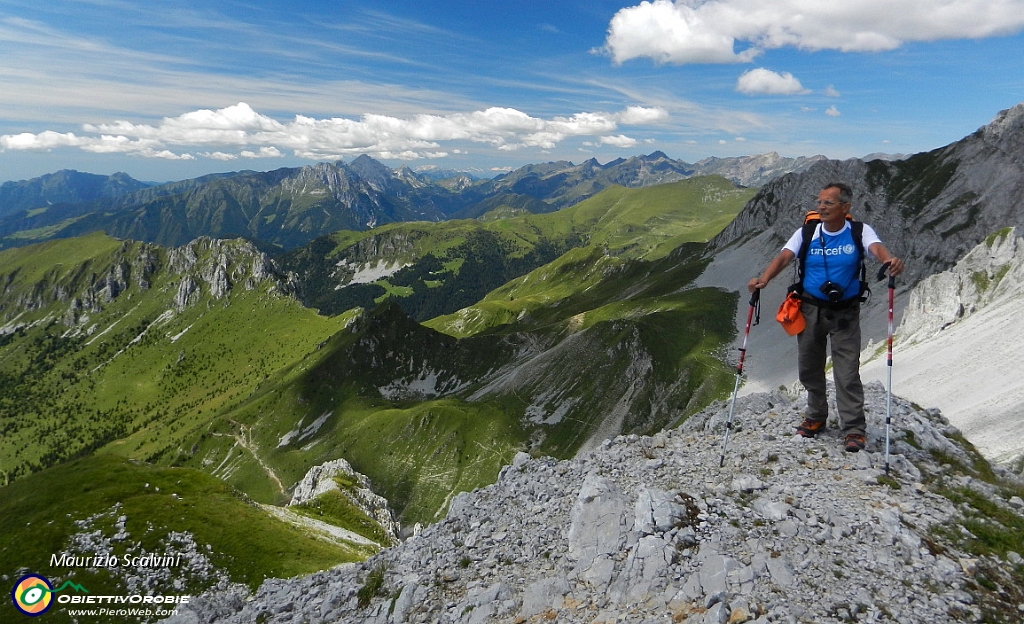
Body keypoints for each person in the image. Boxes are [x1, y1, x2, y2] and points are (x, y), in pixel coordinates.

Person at [748, 182, 904, 452]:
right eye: (820, 202)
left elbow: (876, 248)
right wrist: (763, 280)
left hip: (845, 311)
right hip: (809, 309)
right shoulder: (806, 232)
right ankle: (816, 417)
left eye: (828, 203)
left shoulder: (858, 231)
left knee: (847, 372)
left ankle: (854, 428)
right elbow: (784, 257)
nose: (821, 207)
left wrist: (888, 260)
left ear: (845, 207)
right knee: (809, 366)